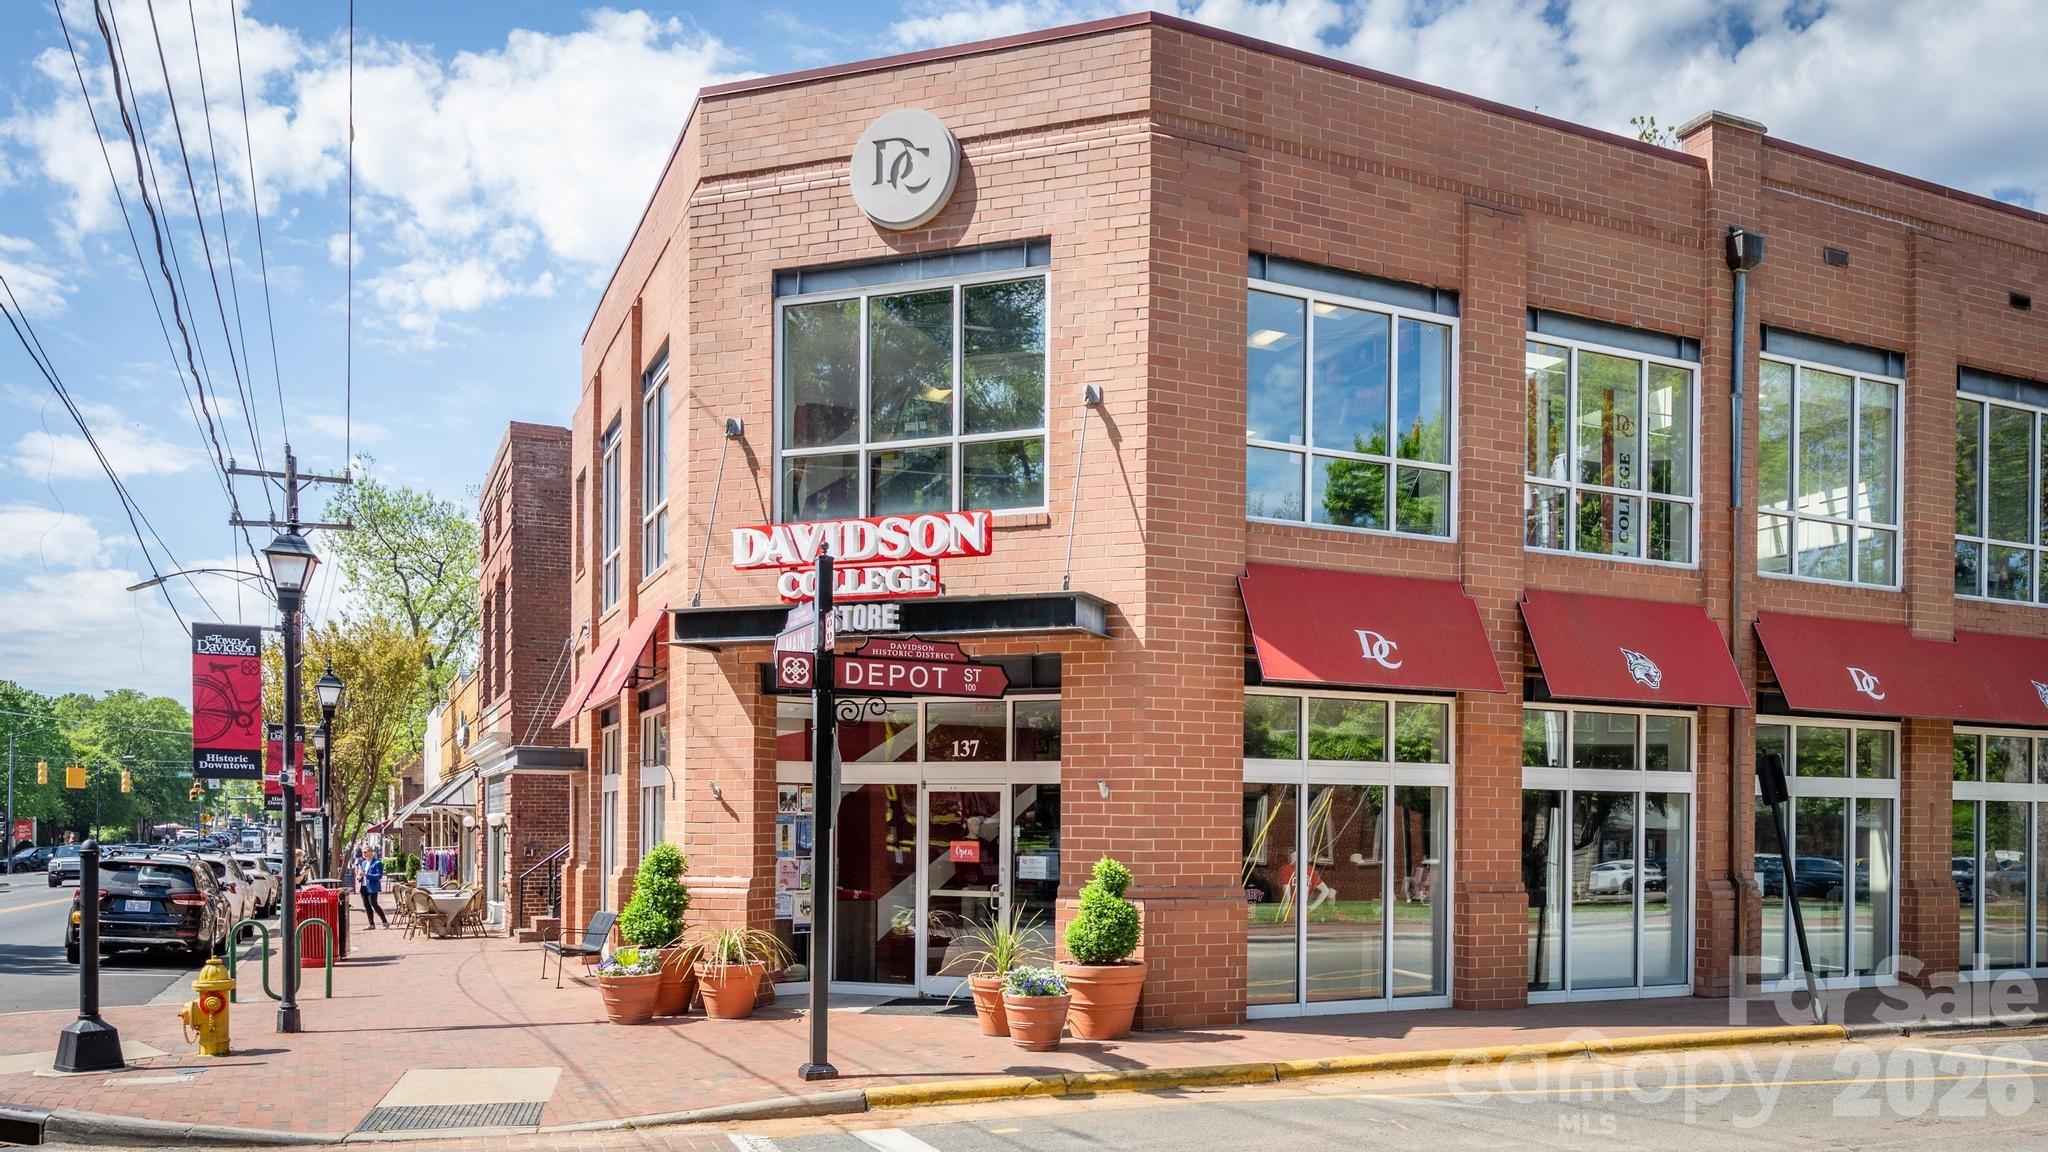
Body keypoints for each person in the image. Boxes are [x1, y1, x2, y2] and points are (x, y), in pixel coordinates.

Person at [358, 847, 391, 928]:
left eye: (365, 852)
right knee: (366, 905)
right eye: (363, 852)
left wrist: (367, 875)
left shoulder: (377, 863)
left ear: (371, 852)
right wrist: (359, 877)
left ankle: (385, 922)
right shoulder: (364, 863)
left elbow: (379, 876)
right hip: (363, 886)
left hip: (372, 887)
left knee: (374, 904)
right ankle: (371, 924)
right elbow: (362, 873)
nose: (363, 854)